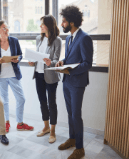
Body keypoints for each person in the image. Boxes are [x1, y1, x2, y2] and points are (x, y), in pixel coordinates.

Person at [56, 6, 93, 159]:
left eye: (63, 21)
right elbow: (72, 58)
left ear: (71, 22)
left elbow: (87, 63)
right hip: (67, 82)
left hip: (77, 83)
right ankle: (72, 139)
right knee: (70, 114)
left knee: (76, 115)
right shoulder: (69, 37)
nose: (61, 24)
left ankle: (80, 148)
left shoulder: (84, 38)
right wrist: (62, 62)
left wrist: (70, 70)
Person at [0, 20, 34, 133]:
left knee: (21, 99)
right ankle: (6, 122)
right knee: (4, 101)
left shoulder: (14, 41)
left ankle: (20, 123)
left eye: (7, 27)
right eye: (4, 28)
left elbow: (20, 55)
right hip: (1, 76)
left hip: (14, 75)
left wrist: (17, 59)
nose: (7, 30)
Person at [28, 15, 62, 143]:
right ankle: (46, 127)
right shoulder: (39, 38)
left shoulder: (57, 40)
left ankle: (53, 131)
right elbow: (38, 56)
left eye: (42, 24)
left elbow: (56, 59)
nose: (40, 26)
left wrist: (50, 63)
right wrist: (33, 62)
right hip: (38, 74)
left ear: (48, 25)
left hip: (50, 75)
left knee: (51, 103)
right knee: (42, 102)